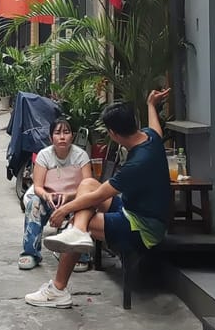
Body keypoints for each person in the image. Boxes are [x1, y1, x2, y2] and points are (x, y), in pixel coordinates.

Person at [24, 88, 171, 308]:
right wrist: (151, 104)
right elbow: (156, 129)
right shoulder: (150, 138)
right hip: (132, 209)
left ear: (113, 133)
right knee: (88, 184)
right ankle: (79, 232)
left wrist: (65, 209)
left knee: (79, 219)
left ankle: (58, 289)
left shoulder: (137, 164)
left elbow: (101, 196)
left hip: (143, 227)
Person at [18, 117, 91, 271]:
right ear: (51, 138)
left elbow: (88, 186)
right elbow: (38, 187)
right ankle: (31, 253)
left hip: (74, 199)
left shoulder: (81, 156)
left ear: (72, 136)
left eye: (66, 132)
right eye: (57, 133)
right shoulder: (44, 155)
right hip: (49, 198)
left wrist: (70, 197)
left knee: (84, 208)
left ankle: (80, 255)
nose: (62, 137)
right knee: (34, 204)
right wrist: (47, 196)